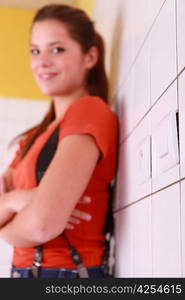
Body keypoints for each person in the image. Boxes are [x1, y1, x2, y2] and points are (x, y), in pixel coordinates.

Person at [0, 4, 118, 278]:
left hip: (66, 274)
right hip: (25, 273)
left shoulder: (89, 111)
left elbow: (42, 225)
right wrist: (15, 201)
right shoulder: (31, 138)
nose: (42, 61)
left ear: (90, 57)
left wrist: (6, 225)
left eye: (57, 49)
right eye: (35, 50)